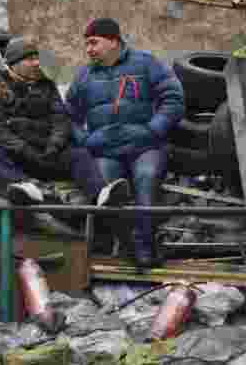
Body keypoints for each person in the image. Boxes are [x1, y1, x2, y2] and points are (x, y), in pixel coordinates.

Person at [62, 18, 185, 267]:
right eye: (87, 44)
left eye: (94, 42)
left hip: (145, 146)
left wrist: (153, 130)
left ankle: (145, 247)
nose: (88, 49)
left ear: (113, 41)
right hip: (105, 150)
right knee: (105, 192)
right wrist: (85, 140)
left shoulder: (146, 63)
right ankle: (126, 246)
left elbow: (173, 98)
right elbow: (67, 116)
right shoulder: (84, 76)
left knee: (146, 179)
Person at [0, 36, 130, 209]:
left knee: (79, 155)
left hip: (48, 153)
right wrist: (24, 149)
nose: (36, 63)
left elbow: (61, 118)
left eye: (37, 58)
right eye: (30, 59)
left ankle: (101, 195)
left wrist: (54, 145)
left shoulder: (46, 85)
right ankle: (23, 187)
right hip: (19, 157)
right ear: (14, 63)